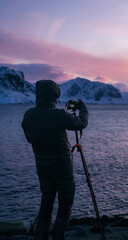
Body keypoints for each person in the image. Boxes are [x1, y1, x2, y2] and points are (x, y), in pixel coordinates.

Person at [21, 80, 89, 240]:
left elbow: (30, 138)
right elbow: (81, 123)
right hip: (63, 168)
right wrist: (82, 107)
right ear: (54, 95)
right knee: (65, 203)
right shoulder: (58, 115)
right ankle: (58, 237)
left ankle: (40, 237)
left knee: (46, 202)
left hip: (43, 168)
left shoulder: (28, 115)